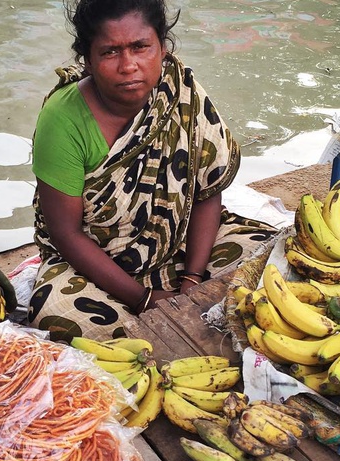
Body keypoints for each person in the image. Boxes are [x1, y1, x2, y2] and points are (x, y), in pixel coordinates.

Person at [28, 0, 277, 342]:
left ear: (162, 47)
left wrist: (191, 281)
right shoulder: (62, 119)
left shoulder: (181, 93)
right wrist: (145, 300)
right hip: (94, 266)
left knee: (271, 257)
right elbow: (66, 234)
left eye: (140, 47)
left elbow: (206, 192)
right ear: (88, 59)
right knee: (61, 316)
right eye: (110, 52)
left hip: (177, 246)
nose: (129, 65)